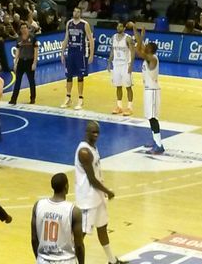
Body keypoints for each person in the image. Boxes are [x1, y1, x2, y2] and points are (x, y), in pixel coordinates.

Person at [75, 121, 126, 264]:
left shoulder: (93, 147)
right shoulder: (84, 152)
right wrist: (108, 191)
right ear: (87, 132)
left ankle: (112, 260)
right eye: (93, 132)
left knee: (102, 227)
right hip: (87, 198)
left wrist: (103, 191)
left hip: (97, 195)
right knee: (81, 234)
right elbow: (91, 179)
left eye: (98, 132)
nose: (96, 135)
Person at [31, 173, 85, 264]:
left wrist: (40, 258)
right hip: (66, 260)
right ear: (66, 186)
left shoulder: (38, 205)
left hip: (43, 260)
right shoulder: (74, 211)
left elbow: (34, 239)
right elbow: (79, 245)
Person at [133, 24, 164, 154]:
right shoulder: (149, 56)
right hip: (148, 90)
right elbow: (139, 47)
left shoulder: (153, 59)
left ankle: (159, 145)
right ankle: (155, 139)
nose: (144, 47)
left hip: (152, 91)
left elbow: (137, 50)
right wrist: (140, 33)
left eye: (147, 46)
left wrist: (135, 29)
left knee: (153, 118)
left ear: (150, 50)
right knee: (150, 117)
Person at [60, 8, 95, 110]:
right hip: (71, 53)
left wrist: (91, 54)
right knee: (69, 76)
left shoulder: (85, 24)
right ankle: (68, 97)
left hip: (81, 53)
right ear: (73, 12)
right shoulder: (69, 23)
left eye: (78, 12)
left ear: (80, 13)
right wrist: (62, 53)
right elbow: (66, 38)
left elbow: (90, 39)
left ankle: (80, 99)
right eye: (75, 11)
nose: (76, 13)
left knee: (80, 76)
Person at [107, 22, 135, 116]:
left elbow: (132, 52)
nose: (119, 27)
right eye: (118, 26)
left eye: (121, 26)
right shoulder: (113, 37)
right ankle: (119, 106)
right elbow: (112, 50)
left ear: (124, 28)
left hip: (125, 65)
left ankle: (130, 107)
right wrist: (109, 62)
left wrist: (131, 65)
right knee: (118, 86)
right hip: (116, 65)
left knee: (128, 86)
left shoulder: (128, 38)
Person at [9, 22, 39, 105]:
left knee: (31, 81)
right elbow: (18, 51)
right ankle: (13, 99)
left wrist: (34, 63)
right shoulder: (18, 39)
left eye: (25, 27)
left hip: (30, 61)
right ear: (20, 30)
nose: (24, 29)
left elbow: (36, 50)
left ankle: (32, 98)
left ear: (27, 28)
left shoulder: (33, 38)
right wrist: (15, 63)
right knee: (18, 81)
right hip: (21, 62)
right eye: (22, 28)